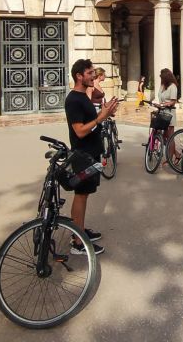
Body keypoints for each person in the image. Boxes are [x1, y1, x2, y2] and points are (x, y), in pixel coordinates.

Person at [65, 59, 118, 255]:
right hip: (82, 154)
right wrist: (100, 118)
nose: (93, 76)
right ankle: (77, 241)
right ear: (79, 76)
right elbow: (79, 131)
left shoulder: (83, 96)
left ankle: (79, 229)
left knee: (84, 195)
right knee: (80, 195)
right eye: (90, 73)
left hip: (90, 152)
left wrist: (106, 112)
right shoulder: (73, 100)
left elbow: (93, 117)